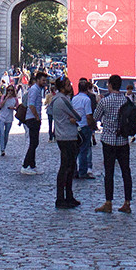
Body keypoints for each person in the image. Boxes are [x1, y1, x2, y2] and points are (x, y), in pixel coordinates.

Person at [91, 74, 136, 213]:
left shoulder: (105, 101)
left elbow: (95, 118)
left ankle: (108, 202)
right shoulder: (126, 101)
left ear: (110, 85)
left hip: (108, 140)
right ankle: (127, 202)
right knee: (125, 172)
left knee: (109, 172)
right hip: (123, 140)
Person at [48, 78, 83, 208]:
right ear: (63, 87)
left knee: (69, 166)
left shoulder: (56, 99)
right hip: (67, 136)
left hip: (63, 135)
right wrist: (73, 118)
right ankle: (62, 198)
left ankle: (67, 196)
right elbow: (77, 115)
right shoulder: (63, 100)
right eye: (68, 85)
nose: (70, 86)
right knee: (66, 167)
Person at [21, 72, 49, 173]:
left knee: (34, 142)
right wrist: (37, 117)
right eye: (43, 80)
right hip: (33, 119)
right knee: (33, 143)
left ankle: (32, 166)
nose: (44, 82)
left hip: (34, 118)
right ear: (37, 80)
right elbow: (31, 105)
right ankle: (25, 166)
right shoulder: (34, 90)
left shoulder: (37, 89)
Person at [73, 78, 97, 179]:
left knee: (75, 150)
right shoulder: (86, 99)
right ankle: (83, 171)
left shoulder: (74, 98)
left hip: (75, 126)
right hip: (84, 126)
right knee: (84, 150)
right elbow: (88, 115)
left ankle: (74, 171)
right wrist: (91, 125)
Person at [0, 84, 19, 158]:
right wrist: (6, 98)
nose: (10, 92)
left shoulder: (15, 99)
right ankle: (2, 149)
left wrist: (14, 108)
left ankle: (4, 147)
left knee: (6, 134)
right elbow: (0, 106)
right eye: (8, 90)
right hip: (2, 117)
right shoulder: (3, 97)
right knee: (2, 133)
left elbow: (18, 108)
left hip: (9, 118)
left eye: (11, 90)